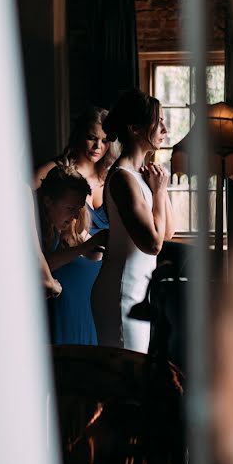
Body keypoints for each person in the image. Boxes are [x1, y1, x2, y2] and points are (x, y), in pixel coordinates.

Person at [90, 89, 175, 352]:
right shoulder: (123, 178)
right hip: (121, 291)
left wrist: (160, 188)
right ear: (135, 128)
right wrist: (159, 192)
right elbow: (152, 244)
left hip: (140, 289)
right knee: (125, 380)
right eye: (157, 120)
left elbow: (167, 233)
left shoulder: (143, 175)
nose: (164, 126)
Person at [36, 166, 108, 345]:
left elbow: (93, 252)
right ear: (48, 201)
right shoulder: (35, 227)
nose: (75, 215)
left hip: (88, 314)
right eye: (69, 207)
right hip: (60, 318)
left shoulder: (72, 223)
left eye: (79, 207)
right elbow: (40, 266)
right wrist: (86, 247)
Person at [33, 106, 117, 237]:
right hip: (69, 255)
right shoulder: (59, 168)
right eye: (91, 138)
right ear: (79, 135)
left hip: (110, 255)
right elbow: (22, 191)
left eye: (105, 141)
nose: (98, 146)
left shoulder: (112, 176)